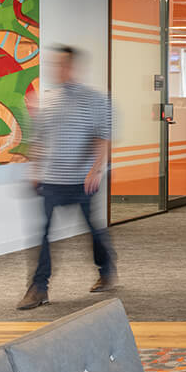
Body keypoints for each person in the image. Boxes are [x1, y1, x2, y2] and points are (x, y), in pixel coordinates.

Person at [18, 45, 116, 309]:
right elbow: (38, 139)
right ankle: (39, 288)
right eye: (55, 64)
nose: (58, 69)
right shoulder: (45, 99)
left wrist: (96, 169)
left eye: (63, 65)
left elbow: (102, 137)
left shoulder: (95, 99)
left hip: (82, 179)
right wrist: (34, 170)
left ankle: (106, 268)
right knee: (43, 233)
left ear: (73, 67)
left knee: (93, 231)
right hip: (51, 179)